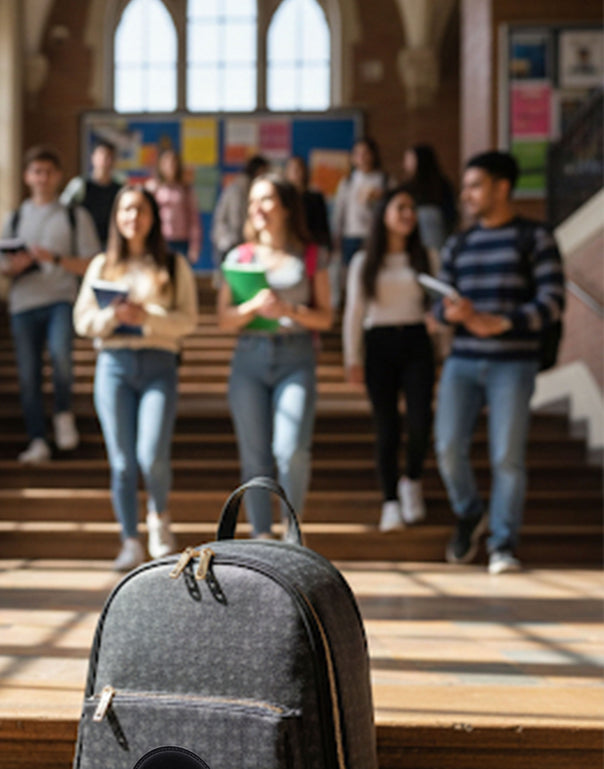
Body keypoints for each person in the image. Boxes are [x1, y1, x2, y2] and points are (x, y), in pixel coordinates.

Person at [433, 150, 565, 574]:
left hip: (513, 363)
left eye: (475, 185)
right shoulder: (460, 242)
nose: (467, 195)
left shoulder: (535, 237)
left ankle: (503, 544)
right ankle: (470, 511)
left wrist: (503, 322)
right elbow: (437, 307)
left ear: (502, 186)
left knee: (507, 457)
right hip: (462, 362)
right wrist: (448, 314)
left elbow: (554, 302)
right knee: (448, 447)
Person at [74, 185, 198, 571]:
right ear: (116, 217)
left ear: (152, 217)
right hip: (114, 367)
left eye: (141, 210)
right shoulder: (101, 266)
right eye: (126, 210)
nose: (133, 217)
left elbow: (188, 321)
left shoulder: (173, 265)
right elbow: (83, 321)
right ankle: (129, 538)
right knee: (123, 462)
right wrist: (114, 317)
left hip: (160, 366)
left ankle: (159, 519)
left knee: (151, 454)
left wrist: (147, 319)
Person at [217, 174, 333, 537]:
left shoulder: (311, 254)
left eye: (266, 200)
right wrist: (253, 306)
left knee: (291, 449)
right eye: (253, 201)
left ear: (286, 207)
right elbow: (224, 320)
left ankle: (291, 534)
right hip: (249, 357)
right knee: (254, 454)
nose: (257, 208)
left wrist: (287, 308)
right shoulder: (239, 256)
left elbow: (326, 317)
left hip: (295, 356)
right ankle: (261, 535)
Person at [343, 185, 437, 531]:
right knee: (386, 427)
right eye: (400, 207)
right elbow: (354, 312)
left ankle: (411, 480)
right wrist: (352, 357)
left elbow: (439, 305)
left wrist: (442, 337)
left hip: (416, 341)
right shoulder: (363, 261)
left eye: (412, 207)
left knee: (419, 420)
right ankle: (390, 502)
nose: (408, 214)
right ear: (383, 215)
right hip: (378, 343)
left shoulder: (427, 255)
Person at [0, 145, 99, 465]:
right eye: (36, 171)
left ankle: (63, 414)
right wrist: (14, 266)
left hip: (60, 298)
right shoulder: (14, 218)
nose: (41, 178)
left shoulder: (74, 215)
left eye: (47, 171)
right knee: (28, 375)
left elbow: (92, 264)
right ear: (28, 177)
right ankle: (37, 438)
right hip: (23, 302)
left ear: (57, 176)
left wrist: (53, 258)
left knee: (61, 357)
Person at [331, 137, 387, 267]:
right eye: (357, 153)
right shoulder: (347, 182)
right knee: (350, 273)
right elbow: (339, 212)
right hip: (351, 236)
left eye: (366, 153)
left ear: (373, 155)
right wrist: (336, 240)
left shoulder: (384, 180)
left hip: (375, 235)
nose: (362, 157)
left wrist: (379, 196)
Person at [60, 139, 123, 248]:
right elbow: (63, 208)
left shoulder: (119, 189)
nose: (105, 160)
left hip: (110, 242)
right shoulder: (80, 185)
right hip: (83, 241)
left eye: (109, 157)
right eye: (101, 155)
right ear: (93, 157)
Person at [145, 148, 202, 265]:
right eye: (166, 162)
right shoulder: (153, 188)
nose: (170, 166)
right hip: (159, 239)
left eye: (173, 162)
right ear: (160, 165)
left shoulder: (185, 189)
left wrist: (195, 246)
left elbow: (193, 219)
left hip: (181, 240)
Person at [210, 154, 269, 267]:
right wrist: (246, 243)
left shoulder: (245, 186)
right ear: (258, 170)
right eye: (265, 172)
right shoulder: (240, 188)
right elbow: (236, 220)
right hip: (229, 243)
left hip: (233, 242)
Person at [402, 143, 458, 251]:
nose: (406, 163)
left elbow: (450, 213)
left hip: (437, 235)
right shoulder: (406, 186)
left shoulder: (440, 183)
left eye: (410, 159)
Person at [285, 154, 331, 251]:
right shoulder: (284, 199)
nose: (296, 172)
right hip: (290, 244)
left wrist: (327, 246)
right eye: (292, 169)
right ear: (287, 172)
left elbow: (323, 225)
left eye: (298, 169)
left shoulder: (315, 197)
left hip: (312, 244)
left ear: (305, 171)